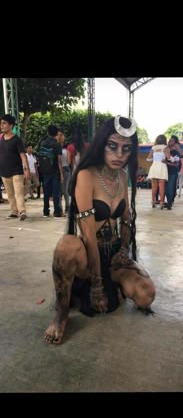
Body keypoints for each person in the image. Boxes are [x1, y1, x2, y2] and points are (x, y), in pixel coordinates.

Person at [44, 115, 156, 344]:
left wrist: (124, 251)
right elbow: (88, 235)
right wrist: (96, 284)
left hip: (113, 254)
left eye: (126, 149)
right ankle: (61, 315)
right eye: (112, 146)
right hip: (88, 255)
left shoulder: (123, 176)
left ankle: (114, 284)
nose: (119, 155)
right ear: (101, 144)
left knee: (146, 296)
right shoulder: (86, 175)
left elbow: (125, 220)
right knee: (66, 246)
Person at [0, 114, 30, 220]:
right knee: (10, 194)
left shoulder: (17, 140)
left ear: (11, 125)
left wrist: (26, 169)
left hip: (17, 171)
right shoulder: (1, 139)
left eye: (4, 123)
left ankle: (22, 211)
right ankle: (14, 211)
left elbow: (23, 156)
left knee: (19, 192)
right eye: (1, 123)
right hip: (4, 171)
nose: (2, 125)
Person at [146, 134, 170, 209]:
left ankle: (153, 202)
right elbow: (169, 157)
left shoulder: (153, 148)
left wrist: (154, 159)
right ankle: (161, 203)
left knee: (154, 187)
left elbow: (148, 159)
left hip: (154, 166)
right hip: (162, 166)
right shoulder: (166, 147)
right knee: (161, 187)